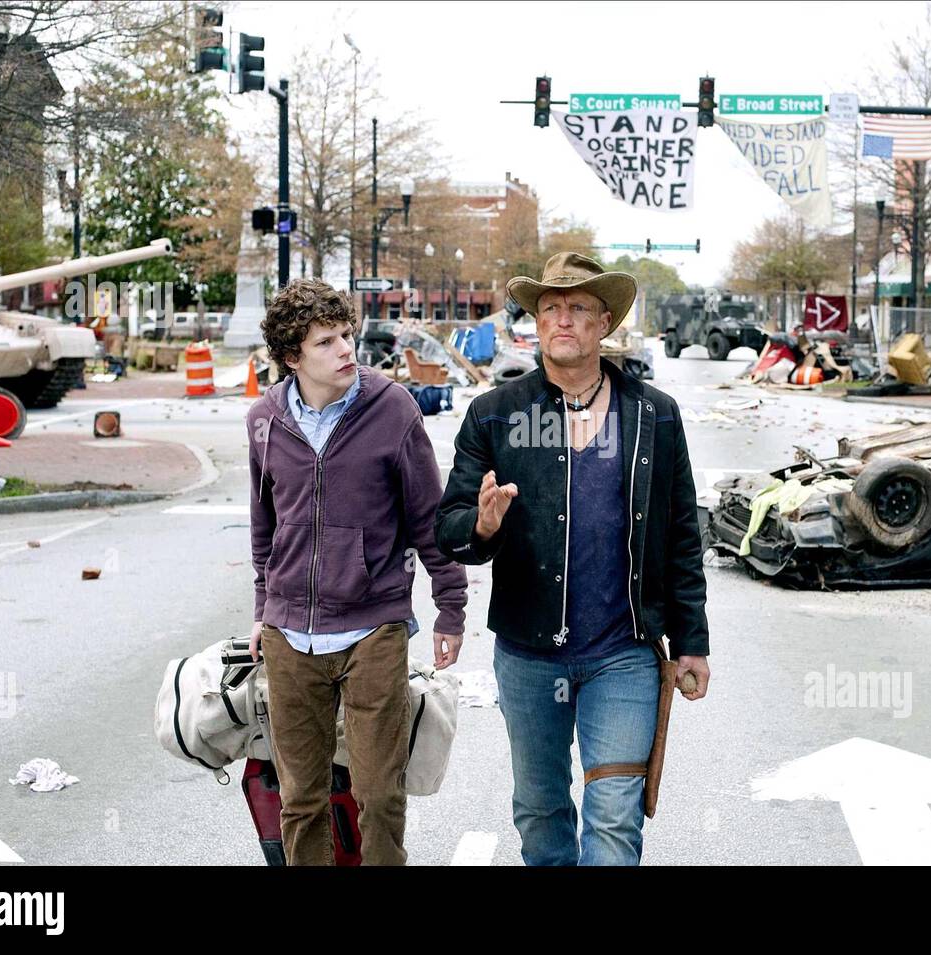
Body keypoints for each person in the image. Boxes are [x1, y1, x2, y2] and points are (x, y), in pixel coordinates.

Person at [436, 252, 710, 866]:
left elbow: (682, 535)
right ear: (536, 320)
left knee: (614, 820)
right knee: (540, 813)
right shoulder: (497, 414)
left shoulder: (653, 415)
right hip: (530, 655)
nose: (563, 319)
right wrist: (481, 526)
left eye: (579, 307)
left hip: (624, 652)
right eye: (551, 307)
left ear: (603, 322)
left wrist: (691, 639)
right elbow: (447, 530)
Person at [246, 278, 467, 865]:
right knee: (300, 798)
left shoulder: (392, 409)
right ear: (292, 357)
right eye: (326, 342)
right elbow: (263, 526)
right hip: (290, 633)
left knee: (379, 795)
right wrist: (264, 607)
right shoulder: (264, 421)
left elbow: (429, 517)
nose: (346, 349)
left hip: (374, 626)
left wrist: (451, 607)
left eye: (346, 335)